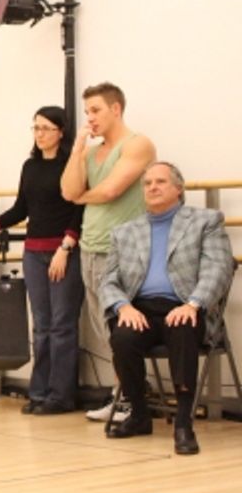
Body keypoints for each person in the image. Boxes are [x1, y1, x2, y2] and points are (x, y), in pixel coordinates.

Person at [100, 162, 234, 455]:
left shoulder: (205, 221)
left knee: (183, 328)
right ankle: (139, 414)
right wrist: (123, 307)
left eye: (160, 182)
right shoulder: (124, 232)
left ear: (178, 188)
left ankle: (183, 423)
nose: (153, 188)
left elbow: (219, 269)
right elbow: (108, 280)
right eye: (147, 184)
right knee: (122, 338)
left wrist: (193, 304)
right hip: (140, 309)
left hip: (184, 306)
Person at [0, 106, 84, 414]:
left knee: (62, 325)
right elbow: (21, 208)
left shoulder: (72, 165)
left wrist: (67, 246)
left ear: (61, 131)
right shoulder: (30, 166)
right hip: (34, 251)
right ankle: (40, 392)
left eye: (45, 128)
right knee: (41, 325)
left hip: (63, 252)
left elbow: (79, 208)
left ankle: (61, 395)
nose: (39, 134)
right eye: (35, 128)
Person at [60, 83, 155, 422]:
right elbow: (69, 189)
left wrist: (82, 196)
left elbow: (112, 189)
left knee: (119, 327)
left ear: (116, 109)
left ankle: (131, 396)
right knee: (103, 329)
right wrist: (76, 151)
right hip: (91, 247)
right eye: (87, 112)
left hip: (124, 251)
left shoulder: (138, 144)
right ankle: (123, 393)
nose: (91, 118)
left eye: (96, 110)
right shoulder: (89, 152)